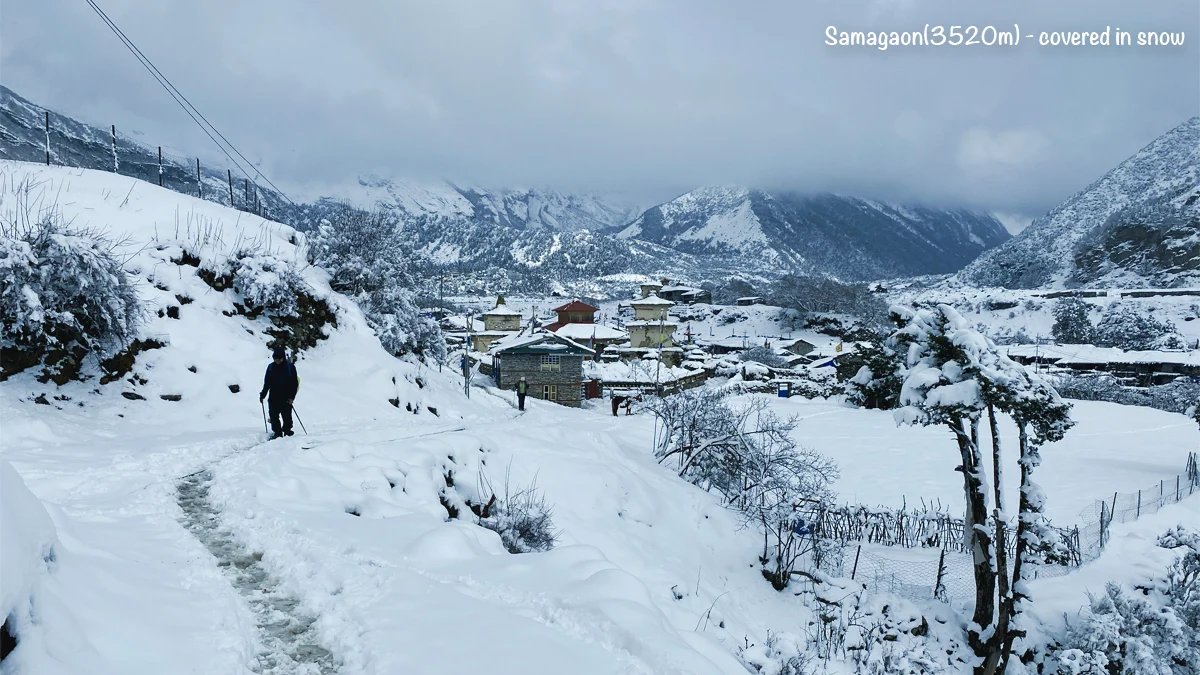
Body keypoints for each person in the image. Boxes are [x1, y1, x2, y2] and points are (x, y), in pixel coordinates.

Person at [259, 347, 299, 439]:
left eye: (279, 358)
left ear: (283, 357)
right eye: (275, 358)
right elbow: (267, 383)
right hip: (273, 397)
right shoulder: (270, 367)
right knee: (273, 417)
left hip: (286, 398)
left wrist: (291, 397)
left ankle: (287, 431)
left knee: (287, 417)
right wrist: (263, 395)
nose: (277, 360)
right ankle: (277, 433)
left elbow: (294, 383)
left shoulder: (290, 367)